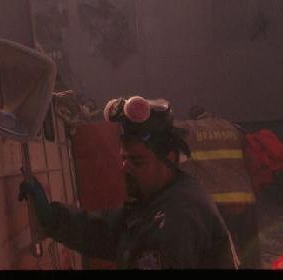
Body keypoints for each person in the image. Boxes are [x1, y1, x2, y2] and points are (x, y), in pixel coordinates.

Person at [18, 95, 238, 269]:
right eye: (124, 158)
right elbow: (105, 231)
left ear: (169, 158)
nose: (125, 167)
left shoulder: (176, 221)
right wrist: (52, 218)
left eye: (137, 161)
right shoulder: (158, 200)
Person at [179, 106, 261, 268]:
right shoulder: (233, 128)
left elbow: (185, 167)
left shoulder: (190, 130)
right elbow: (250, 160)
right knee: (248, 245)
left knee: (218, 248)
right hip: (243, 197)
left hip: (213, 201)